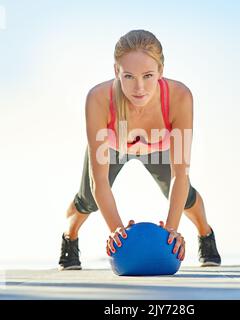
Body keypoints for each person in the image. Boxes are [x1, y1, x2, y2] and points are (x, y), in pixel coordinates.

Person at [59, 29, 221, 270]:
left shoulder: (180, 97)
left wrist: (172, 231)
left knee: (184, 196)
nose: (139, 87)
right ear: (116, 72)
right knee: (88, 201)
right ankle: (69, 237)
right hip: (113, 146)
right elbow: (99, 181)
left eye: (147, 75)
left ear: (161, 72)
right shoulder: (98, 98)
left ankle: (205, 235)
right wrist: (116, 230)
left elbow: (179, 174)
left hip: (159, 147)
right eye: (129, 76)